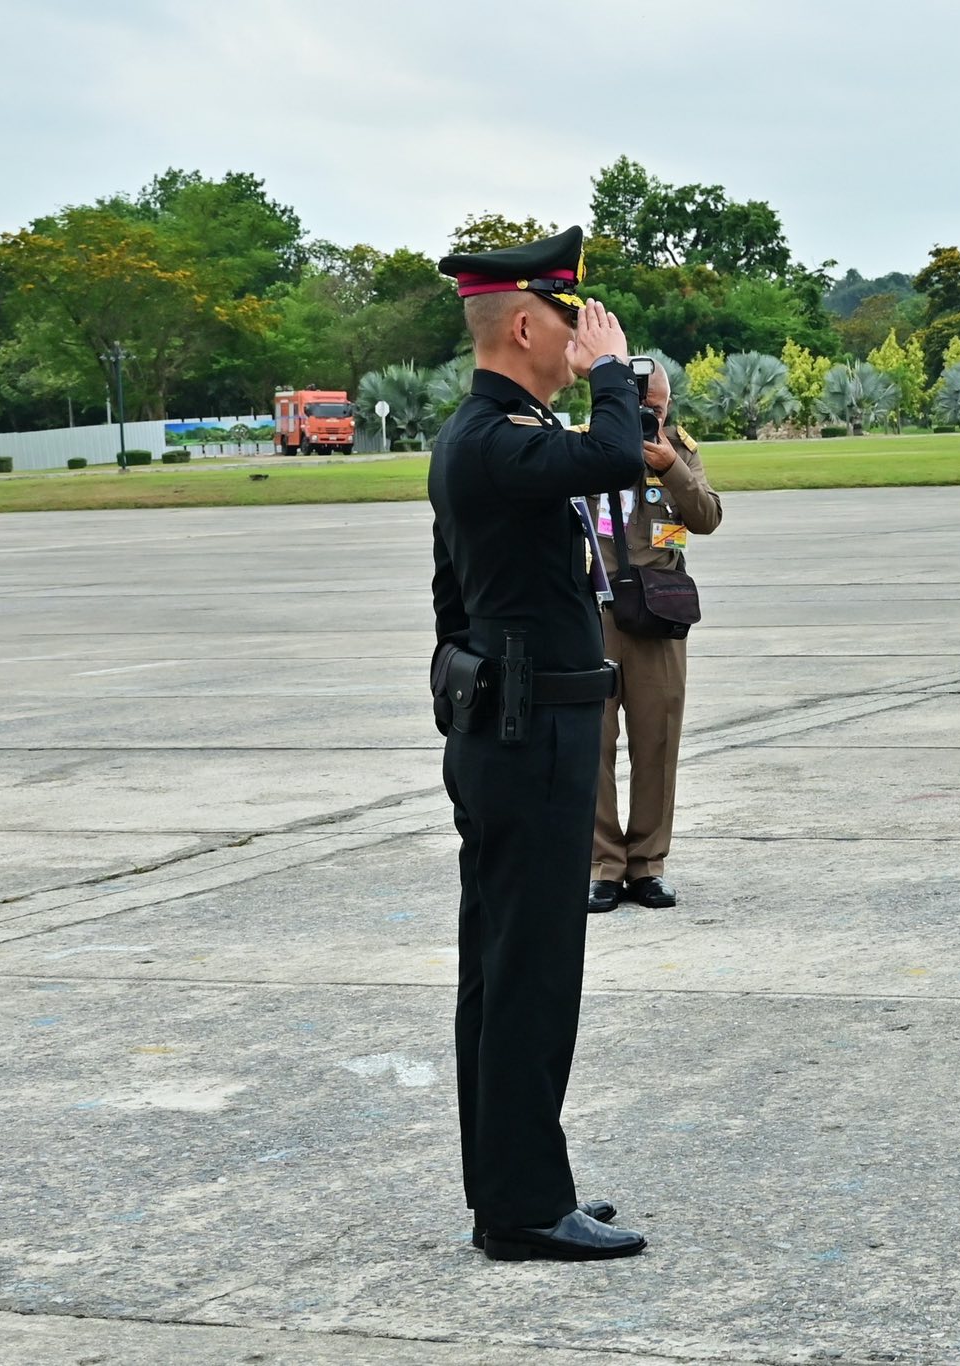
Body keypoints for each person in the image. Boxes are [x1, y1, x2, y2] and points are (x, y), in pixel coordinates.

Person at [429, 225, 650, 1261]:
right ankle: (520, 1208)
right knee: (530, 974)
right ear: (524, 326)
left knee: (505, 969)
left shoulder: (494, 435)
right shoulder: (494, 439)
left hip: (512, 730)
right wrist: (613, 376)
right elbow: (613, 458)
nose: (584, 337)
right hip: (529, 739)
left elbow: (451, 596)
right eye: (572, 321)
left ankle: (514, 1188)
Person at [587, 361, 723, 914]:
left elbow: (708, 517)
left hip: (657, 615)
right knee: (591, 744)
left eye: (657, 409)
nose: (649, 417)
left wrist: (671, 469)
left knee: (657, 742)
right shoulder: (582, 448)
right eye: (638, 407)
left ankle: (647, 865)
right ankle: (602, 866)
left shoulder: (679, 451)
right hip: (593, 613)